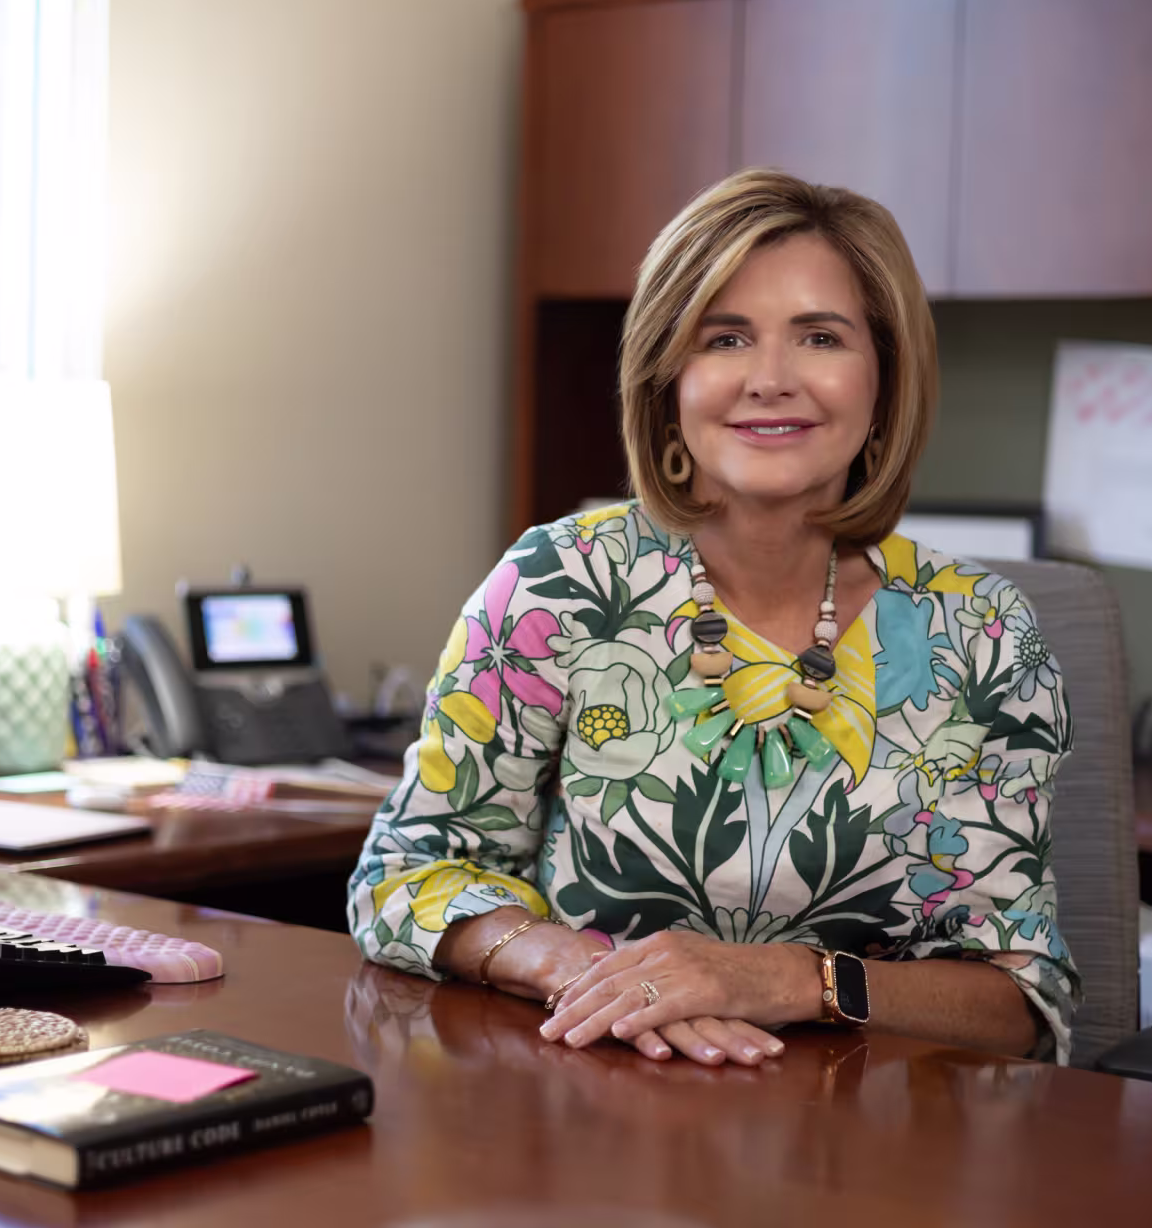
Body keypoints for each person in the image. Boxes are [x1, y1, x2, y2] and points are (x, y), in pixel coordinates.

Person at [348, 169, 1078, 1069]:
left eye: (820, 337)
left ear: (884, 380)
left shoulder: (984, 634)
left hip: (873, 1148)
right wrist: (589, 969)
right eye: (725, 337)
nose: (770, 380)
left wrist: (781, 980)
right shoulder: (559, 585)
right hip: (596, 1107)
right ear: (670, 377)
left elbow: (1021, 1003)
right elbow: (405, 875)